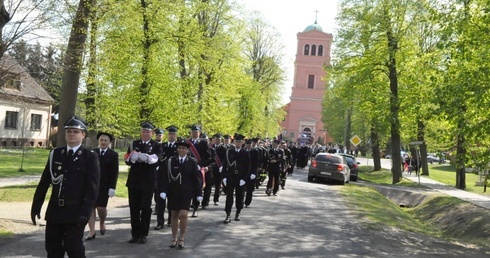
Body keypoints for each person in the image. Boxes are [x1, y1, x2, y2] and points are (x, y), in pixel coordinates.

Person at [31, 115, 100, 257]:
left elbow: (92, 189)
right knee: (53, 249)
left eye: (75, 131)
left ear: (83, 135)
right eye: (69, 131)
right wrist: (36, 206)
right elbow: (44, 183)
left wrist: (85, 214)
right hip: (55, 211)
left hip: (76, 212)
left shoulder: (89, 157)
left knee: (74, 249)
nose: (72, 134)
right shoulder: (55, 154)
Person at [158, 139, 202, 249]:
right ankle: (174, 238)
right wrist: (162, 190)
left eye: (184, 148)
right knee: (174, 214)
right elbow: (164, 176)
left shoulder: (192, 162)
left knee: (183, 214)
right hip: (173, 191)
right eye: (179, 148)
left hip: (186, 192)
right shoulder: (170, 161)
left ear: (187, 150)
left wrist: (198, 193)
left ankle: (182, 237)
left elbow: (196, 179)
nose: (181, 150)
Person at [124, 121, 163, 244]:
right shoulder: (133, 143)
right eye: (143, 131)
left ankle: (143, 234)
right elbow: (127, 159)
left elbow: (158, 159)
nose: (145, 133)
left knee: (146, 208)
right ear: (141, 132)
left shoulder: (156, 145)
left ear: (151, 133)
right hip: (134, 181)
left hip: (148, 181)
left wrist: (147, 158)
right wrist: (132, 158)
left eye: (148, 131)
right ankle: (135, 234)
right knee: (134, 208)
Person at [85, 132, 119, 241]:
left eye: (105, 140)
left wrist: (112, 187)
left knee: (101, 207)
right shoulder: (92, 152)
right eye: (101, 140)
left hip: (105, 185)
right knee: (91, 207)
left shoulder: (113, 155)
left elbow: (115, 172)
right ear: (98, 141)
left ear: (109, 142)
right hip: (91, 184)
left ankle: (102, 222)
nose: (103, 142)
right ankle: (91, 231)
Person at [222, 133, 250, 223]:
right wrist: (224, 177)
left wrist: (244, 179)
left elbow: (247, 167)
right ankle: (228, 214)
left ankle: (238, 212)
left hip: (240, 177)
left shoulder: (245, 153)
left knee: (240, 196)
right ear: (234, 142)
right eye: (236, 142)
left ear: (242, 143)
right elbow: (225, 165)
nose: (238, 143)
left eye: (240, 142)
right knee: (229, 196)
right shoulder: (229, 151)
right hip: (230, 176)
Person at [154, 125, 178, 230]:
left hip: (174, 177)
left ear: (176, 135)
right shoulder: (161, 146)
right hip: (162, 176)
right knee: (160, 201)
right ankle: (160, 222)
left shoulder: (179, 146)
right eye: (170, 133)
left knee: (172, 200)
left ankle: (170, 220)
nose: (171, 135)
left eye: (173, 134)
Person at [187, 125, 213, 218]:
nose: (194, 133)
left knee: (196, 189)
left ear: (199, 133)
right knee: (187, 188)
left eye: (196, 132)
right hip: (187, 169)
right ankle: (185, 207)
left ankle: (195, 208)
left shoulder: (203, 143)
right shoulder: (187, 142)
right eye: (193, 132)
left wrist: (200, 164)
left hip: (197, 168)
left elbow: (209, 157)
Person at [244, 138, 259, 208]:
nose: (248, 146)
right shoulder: (243, 151)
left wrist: (254, 173)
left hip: (251, 173)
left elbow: (256, 163)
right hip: (243, 173)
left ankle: (247, 202)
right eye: (247, 144)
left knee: (249, 189)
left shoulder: (255, 152)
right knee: (242, 188)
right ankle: (240, 201)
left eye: (249, 144)